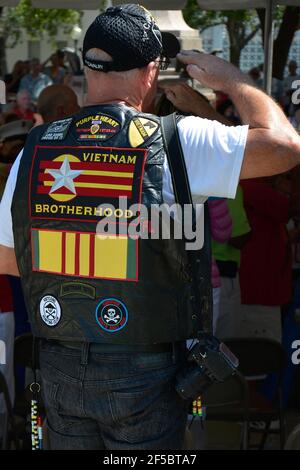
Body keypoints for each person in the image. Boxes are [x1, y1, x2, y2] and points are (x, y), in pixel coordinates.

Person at [1, 4, 300, 450]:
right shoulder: (181, 138)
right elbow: (285, 146)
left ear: (87, 66)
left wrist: (90, 271)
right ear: (151, 71)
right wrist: (232, 79)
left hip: (59, 359)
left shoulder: (37, 147)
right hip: (147, 363)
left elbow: (9, 257)